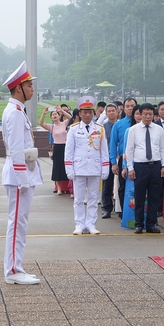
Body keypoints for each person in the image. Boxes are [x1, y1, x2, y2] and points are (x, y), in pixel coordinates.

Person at [0, 61, 43, 285]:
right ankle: (13, 270)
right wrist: (22, 179)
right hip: (19, 175)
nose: (33, 89)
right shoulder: (15, 113)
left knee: (20, 222)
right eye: (29, 85)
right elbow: (16, 149)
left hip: (22, 172)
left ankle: (17, 266)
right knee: (17, 223)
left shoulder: (17, 110)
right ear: (19, 87)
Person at [65, 97, 110, 235]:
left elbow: (104, 151)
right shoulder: (73, 129)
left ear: (93, 113)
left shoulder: (99, 129)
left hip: (94, 167)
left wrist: (105, 167)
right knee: (78, 199)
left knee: (93, 198)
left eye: (90, 112)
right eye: (85, 112)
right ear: (80, 113)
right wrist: (69, 168)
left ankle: (91, 224)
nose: (88, 115)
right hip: (79, 167)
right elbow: (69, 151)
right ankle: (79, 224)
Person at [125, 103, 164, 234]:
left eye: (150, 114)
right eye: (145, 114)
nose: (148, 117)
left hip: (155, 166)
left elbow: (163, 149)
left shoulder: (159, 129)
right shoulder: (134, 130)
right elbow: (130, 150)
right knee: (139, 196)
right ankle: (139, 224)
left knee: (154, 197)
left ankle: (151, 224)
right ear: (140, 114)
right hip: (140, 166)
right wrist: (130, 168)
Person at [109, 98, 137, 218]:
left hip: (139, 160)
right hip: (123, 159)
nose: (130, 108)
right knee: (123, 187)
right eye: (128, 106)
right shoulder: (119, 125)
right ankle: (124, 213)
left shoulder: (140, 124)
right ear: (123, 108)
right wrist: (113, 162)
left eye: (132, 106)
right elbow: (113, 144)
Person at [39, 106, 72, 195]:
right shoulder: (51, 127)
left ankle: (69, 187)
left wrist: (62, 111)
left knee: (67, 166)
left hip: (65, 146)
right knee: (57, 168)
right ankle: (59, 188)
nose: (54, 115)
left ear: (59, 115)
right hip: (57, 147)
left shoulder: (64, 123)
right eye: (53, 115)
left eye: (56, 114)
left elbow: (70, 118)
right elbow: (41, 123)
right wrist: (43, 113)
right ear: (51, 118)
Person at [101, 103, 119, 217]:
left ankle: (119, 208)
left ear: (117, 112)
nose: (111, 113)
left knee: (119, 184)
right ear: (106, 113)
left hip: (120, 157)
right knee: (107, 184)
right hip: (107, 158)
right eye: (109, 111)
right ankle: (106, 208)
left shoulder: (122, 125)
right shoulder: (102, 127)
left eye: (113, 110)